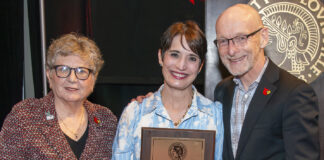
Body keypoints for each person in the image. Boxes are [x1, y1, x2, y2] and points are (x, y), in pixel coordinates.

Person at [214, 4, 319, 160]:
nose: (231, 50)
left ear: (263, 37)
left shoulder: (295, 93)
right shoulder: (222, 91)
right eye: (223, 41)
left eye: (241, 38)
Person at [112, 21, 223, 160]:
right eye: (175, 54)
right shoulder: (135, 114)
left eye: (192, 58)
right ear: (160, 57)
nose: (181, 65)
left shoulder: (215, 117)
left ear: (200, 66)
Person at [0, 33, 117, 159]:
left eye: (81, 71)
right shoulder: (24, 116)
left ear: (93, 79)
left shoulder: (106, 120)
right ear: (49, 75)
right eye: (63, 69)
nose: (72, 79)